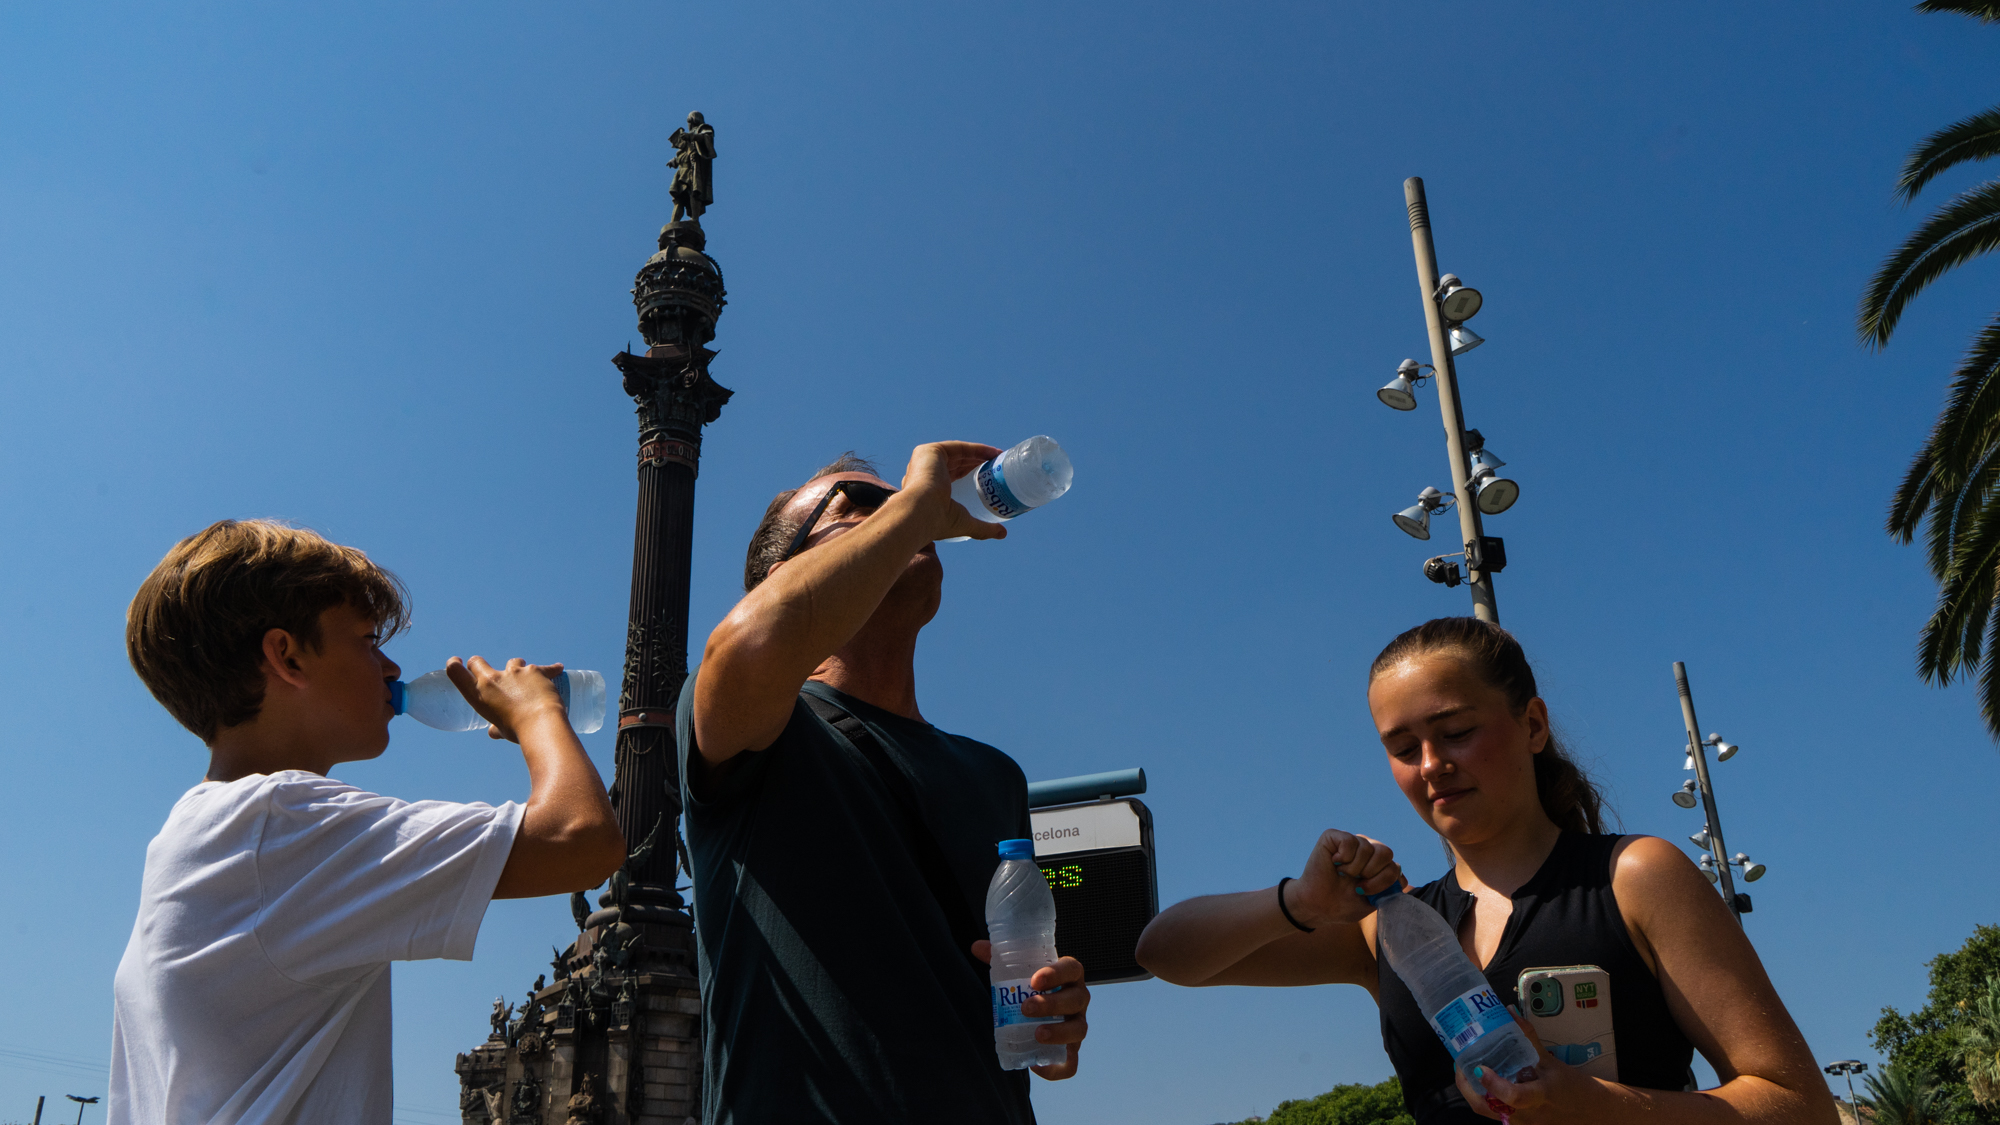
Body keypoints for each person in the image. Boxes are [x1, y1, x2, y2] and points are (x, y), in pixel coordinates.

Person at [1134, 618, 1836, 1125]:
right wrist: (1301, 901)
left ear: (1533, 725)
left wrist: (1595, 1107)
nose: (1432, 764)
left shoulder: (1636, 876)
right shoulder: (1388, 927)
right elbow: (1164, 952)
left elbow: (1799, 1104)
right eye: (1403, 746)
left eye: (1457, 731)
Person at [110, 519, 626, 1124]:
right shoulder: (283, 826)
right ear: (288, 655)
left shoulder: (201, 835)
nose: (389, 668)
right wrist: (539, 714)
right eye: (366, 640)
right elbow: (582, 838)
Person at [676, 444, 1092, 1125]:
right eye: (859, 507)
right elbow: (747, 644)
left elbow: (1013, 997)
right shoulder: (758, 721)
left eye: (895, 499)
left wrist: (1053, 1015)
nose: (905, 509)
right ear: (787, 575)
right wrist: (911, 511)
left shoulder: (995, 775)